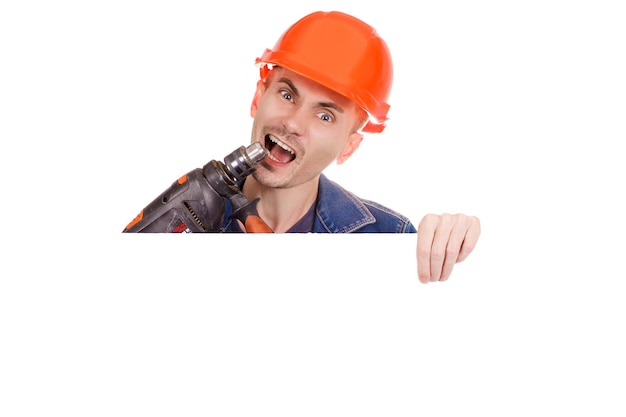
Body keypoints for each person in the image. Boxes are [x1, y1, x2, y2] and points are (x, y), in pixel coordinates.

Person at [218, 10, 481, 283]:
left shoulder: (388, 238)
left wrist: (458, 251)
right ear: (258, 98)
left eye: (325, 116)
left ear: (349, 146)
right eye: (287, 95)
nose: (293, 123)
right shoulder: (182, 219)